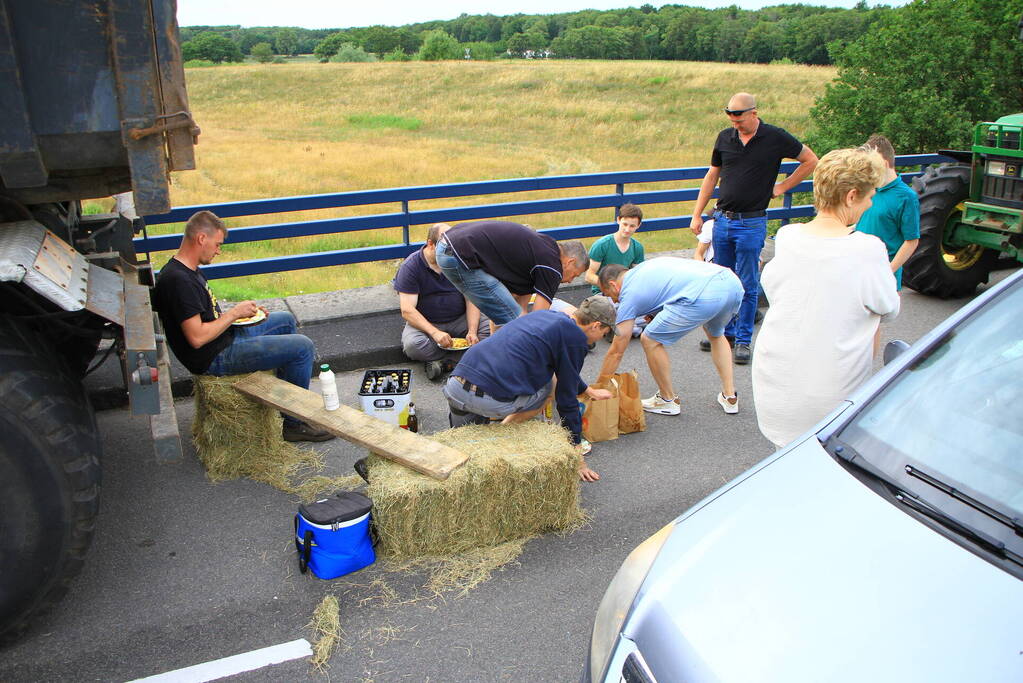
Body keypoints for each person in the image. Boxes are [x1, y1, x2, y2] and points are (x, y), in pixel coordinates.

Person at [752, 147, 900, 449]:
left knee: (786, 458)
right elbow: (888, 307)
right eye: (870, 195)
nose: (871, 203)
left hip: (775, 385)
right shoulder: (867, 249)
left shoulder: (789, 236)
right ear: (851, 196)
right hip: (827, 394)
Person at [153, 210, 333, 442]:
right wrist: (234, 313)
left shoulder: (186, 271)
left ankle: (281, 397)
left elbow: (209, 316)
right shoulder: (178, 282)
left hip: (223, 339)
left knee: (285, 319)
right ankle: (293, 423)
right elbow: (197, 337)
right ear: (201, 239)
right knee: (303, 347)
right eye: (217, 244)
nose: (218, 250)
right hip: (212, 357)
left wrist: (244, 315)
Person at [690, 92, 818, 364]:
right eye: (731, 118)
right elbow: (712, 174)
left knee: (747, 283)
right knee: (723, 281)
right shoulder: (725, 137)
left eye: (740, 118)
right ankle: (725, 333)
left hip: (752, 221)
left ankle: (744, 340)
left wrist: (783, 186)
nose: (736, 124)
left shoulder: (775, 137)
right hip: (723, 220)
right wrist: (697, 214)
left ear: (754, 113)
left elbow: (810, 160)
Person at [442, 296, 617, 482]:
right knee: (549, 387)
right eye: (605, 332)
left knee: (461, 451)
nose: (603, 338)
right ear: (596, 325)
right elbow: (566, 399)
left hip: (455, 387)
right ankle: (503, 432)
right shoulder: (575, 339)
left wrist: (587, 391)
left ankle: (466, 437)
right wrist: (577, 454)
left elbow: (568, 373)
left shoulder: (546, 316)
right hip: (484, 398)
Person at [596, 258, 744, 416]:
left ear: (613, 285)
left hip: (703, 295)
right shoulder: (644, 268)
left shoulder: (628, 294)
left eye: (609, 295)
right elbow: (671, 289)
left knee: (650, 339)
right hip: (731, 283)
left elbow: (617, 350)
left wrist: (599, 386)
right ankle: (730, 397)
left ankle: (667, 400)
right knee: (716, 334)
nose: (614, 300)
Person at [435, 220, 589, 327]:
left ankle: (497, 355)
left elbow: (520, 304)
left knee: (510, 317)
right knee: (521, 325)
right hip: (457, 256)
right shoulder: (552, 266)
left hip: (449, 246)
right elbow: (537, 317)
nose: (570, 281)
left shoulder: (545, 248)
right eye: (575, 275)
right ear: (569, 261)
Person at [394, 223, 490, 381]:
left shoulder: (459, 261)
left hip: (460, 319)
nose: (451, 254)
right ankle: (467, 360)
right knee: (413, 346)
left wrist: (472, 331)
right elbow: (407, 310)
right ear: (431, 244)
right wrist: (435, 333)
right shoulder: (410, 267)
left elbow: (471, 298)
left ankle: (446, 363)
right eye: (446, 249)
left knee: (493, 330)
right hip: (427, 323)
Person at [856, 134, 920, 290]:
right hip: (858, 270)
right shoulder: (868, 189)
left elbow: (911, 240)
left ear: (883, 164)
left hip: (883, 275)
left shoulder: (906, 197)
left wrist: (888, 271)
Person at [584, 203, 645, 294]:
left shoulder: (638, 248)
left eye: (632, 226)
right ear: (618, 220)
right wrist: (610, 287)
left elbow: (636, 276)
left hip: (624, 291)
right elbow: (589, 276)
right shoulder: (602, 245)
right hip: (602, 292)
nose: (627, 229)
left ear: (638, 225)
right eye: (625, 224)